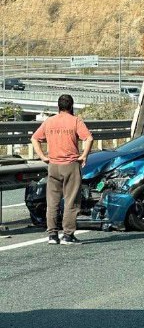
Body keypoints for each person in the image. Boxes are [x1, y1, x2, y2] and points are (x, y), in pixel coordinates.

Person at [31, 94, 93, 246]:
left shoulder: (49, 121)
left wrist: (42, 156)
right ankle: (68, 235)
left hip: (53, 165)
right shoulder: (75, 121)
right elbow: (89, 138)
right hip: (71, 164)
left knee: (52, 201)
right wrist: (84, 156)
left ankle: (52, 235)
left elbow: (34, 138)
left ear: (58, 106)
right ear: (71, 106)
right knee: (71, 200)